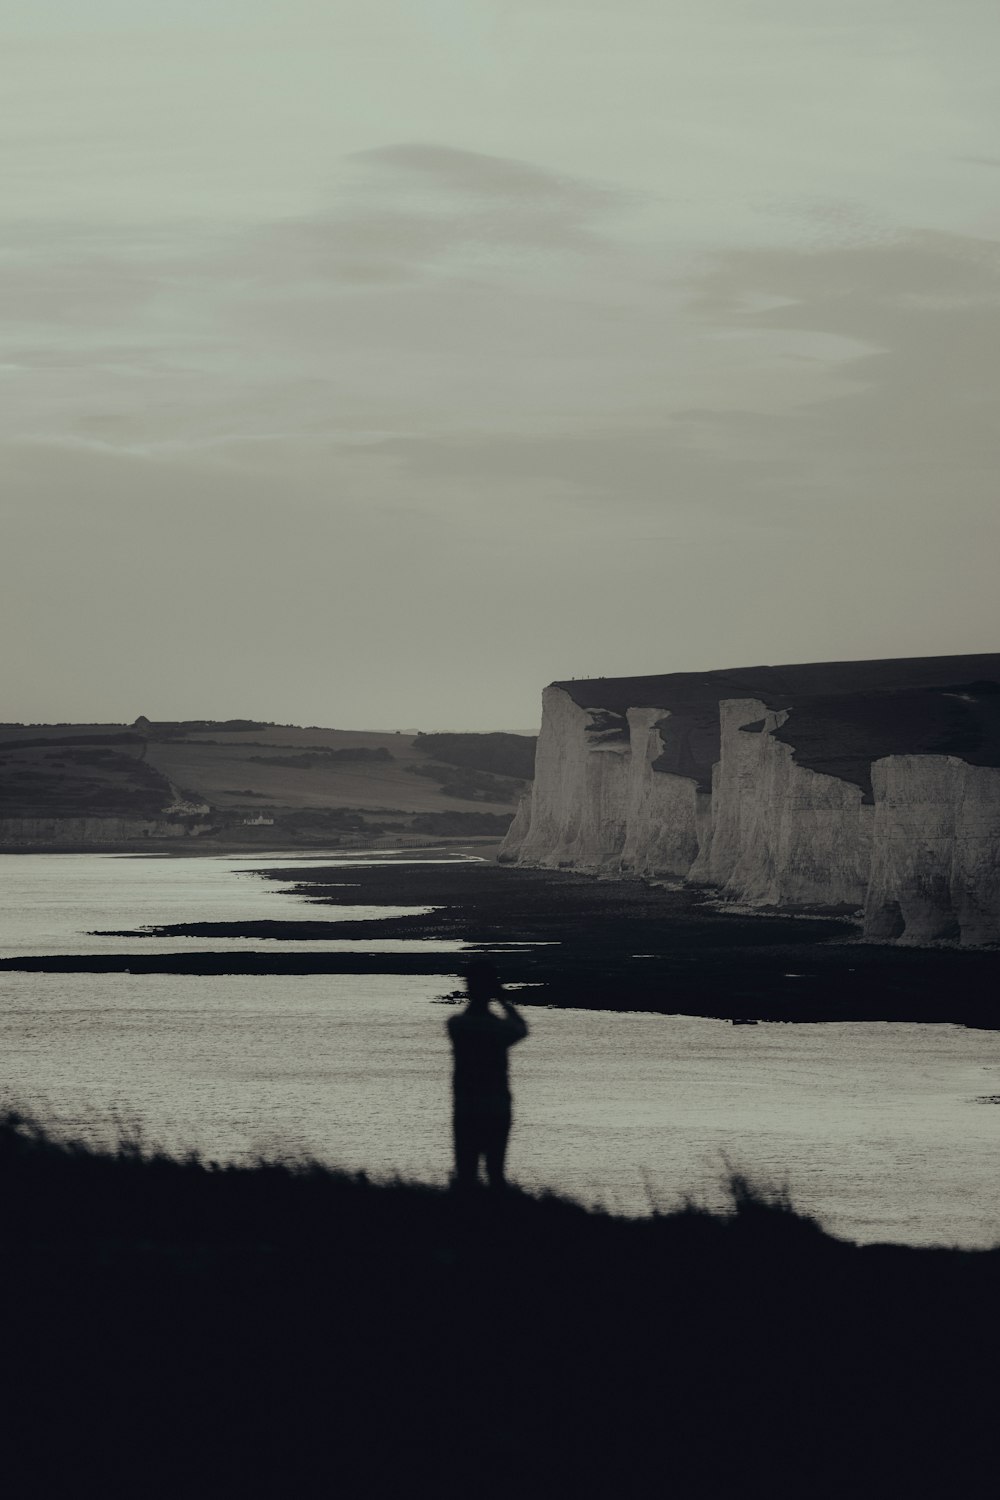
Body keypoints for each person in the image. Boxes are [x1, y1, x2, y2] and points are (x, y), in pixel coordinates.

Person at [446, 959, 528, 1191]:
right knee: (495, 1173)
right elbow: (520, 1028)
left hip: (467, 1107)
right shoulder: (499, 1029)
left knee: (466, 1173)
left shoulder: (458, 1025)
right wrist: (503, 1000)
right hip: (496, 1106)